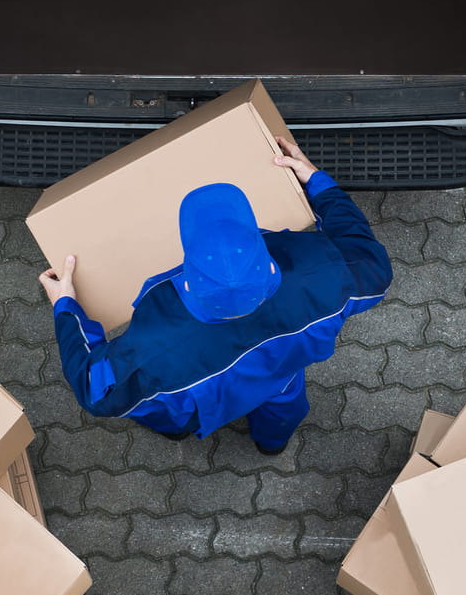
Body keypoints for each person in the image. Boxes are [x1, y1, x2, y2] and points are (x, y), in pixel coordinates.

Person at [38, 136, 393, 452]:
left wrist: (66, 306)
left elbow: (94, 390)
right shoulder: (327, 278)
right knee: (283, 407)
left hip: (197, 402)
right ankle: (271, 445)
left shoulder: (154, 351)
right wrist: (318, 182)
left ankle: (178, 433)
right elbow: (371, 261)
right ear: (267, 261)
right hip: (280, 372)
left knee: (169, 416)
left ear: (187, 281)